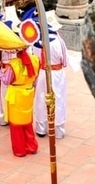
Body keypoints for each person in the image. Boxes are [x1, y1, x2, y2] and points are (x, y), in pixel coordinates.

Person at [0, 45, 39, 157]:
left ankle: (20, 150)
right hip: (28, 91)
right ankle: (31, 146)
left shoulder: (13, 65)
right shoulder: (35, 59)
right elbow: (36, 76)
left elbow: (6, 80)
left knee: (16, 125)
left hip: (16, 94)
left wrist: (0, 70)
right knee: (27, 122)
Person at [33, 11, 69, 139]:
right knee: (58, 99)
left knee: (41, 99)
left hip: (43, 72)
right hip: (57, 74)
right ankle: (58, 130)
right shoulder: (59, 41)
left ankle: (41, 128)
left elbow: (36, 58)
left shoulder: (39, 42)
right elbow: (65, 61)